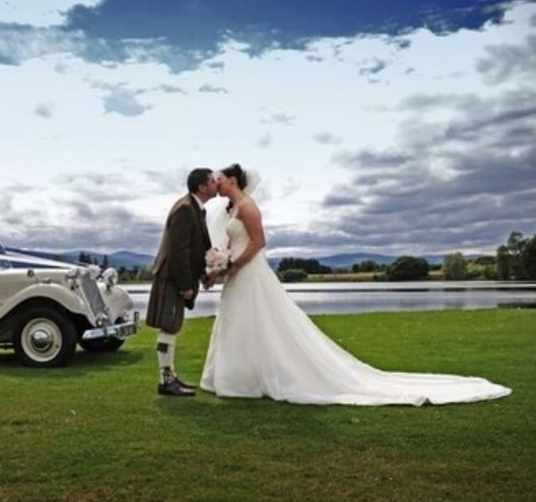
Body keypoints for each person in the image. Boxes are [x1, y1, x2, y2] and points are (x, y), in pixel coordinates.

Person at [199, 163, 511, 405]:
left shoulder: (249, 207)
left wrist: (233, 265)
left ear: (234, 180)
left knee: (262, 323)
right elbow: (230, 245)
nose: (218, 183)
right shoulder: (231, 209)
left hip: (251, 272)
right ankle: (241, 379)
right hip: (237, 275)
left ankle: (257, 380)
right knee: (240, 324)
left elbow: (258, 242)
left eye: (221, 179)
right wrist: (220, 267)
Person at [146, 168, 218, 397]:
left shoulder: (193, 207)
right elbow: (178, 252)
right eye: (212, 181)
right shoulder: (186, 208)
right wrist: (185, 285)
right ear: (202, 187)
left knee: (172, 326)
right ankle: (166, 381)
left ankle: (168, 377)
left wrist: (203, 274)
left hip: (174, 276)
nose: (216, 183)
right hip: (171, 277)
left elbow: (193, 249)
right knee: (169, 326)